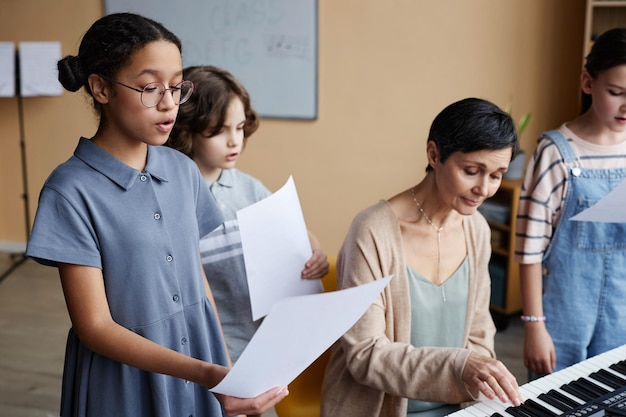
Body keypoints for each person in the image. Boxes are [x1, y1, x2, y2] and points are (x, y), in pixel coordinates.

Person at [24, 13, 288, 417]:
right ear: (100, 88)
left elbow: (196, 279)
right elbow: (94, 327)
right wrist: (205, 373)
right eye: (149, 88)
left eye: (176, 86)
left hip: (202, 363)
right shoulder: (70, 190)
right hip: (123, 381)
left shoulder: (183, 170)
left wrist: (226, 371)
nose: (168, 103)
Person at [320, 97, 524, 417]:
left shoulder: (477, 230)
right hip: (383, 408)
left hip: (461, 403)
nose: (483, 189)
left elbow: (480, 333)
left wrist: (478, 382)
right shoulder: (373, 231)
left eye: (496, 175)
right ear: (434, 154)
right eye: (472, 171)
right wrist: (459, 368)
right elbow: (365, 354)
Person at [166, 65, 329, 364]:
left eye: (239, 127)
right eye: (219, 130)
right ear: (187, 129)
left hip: (257, 349)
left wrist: (314, 252)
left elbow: (295, 235)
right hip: (200, 354)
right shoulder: (172, 195)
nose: (234, 141)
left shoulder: (248, 189)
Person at [515, 27, 626, 376]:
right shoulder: (556, 153)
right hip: (564, 320)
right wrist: (534, 326)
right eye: (616, 92)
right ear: (587, 83)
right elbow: (529, 251)